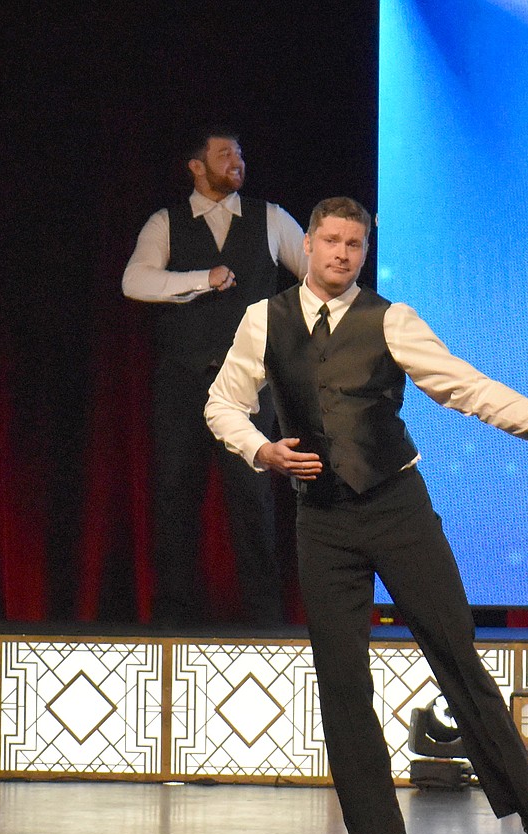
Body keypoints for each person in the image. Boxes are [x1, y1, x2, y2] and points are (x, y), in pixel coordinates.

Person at [206, 196, 528, 834]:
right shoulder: (263, 321)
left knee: (458, 658)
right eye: (330, 241)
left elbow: (468, 388)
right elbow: (222, 402)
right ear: (307, 245)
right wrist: (261, 451)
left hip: (397, 509)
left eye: (354, 244)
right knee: (341, 678)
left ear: (365, 251)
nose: (341, 254)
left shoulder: (391, 319)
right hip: (322, 520)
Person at [123, 128, 308, 628]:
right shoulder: (167, 222)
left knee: (253, 505)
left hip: (249, 388)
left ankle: (265, 626)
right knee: (175, 499)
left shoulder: (269, 218)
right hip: (182, 383)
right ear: (196, 166)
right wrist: (200, 279)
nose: (237, 161)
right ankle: (173, 627)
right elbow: (134, 280)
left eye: (240, 153)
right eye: (224, 154)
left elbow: (315, 273)